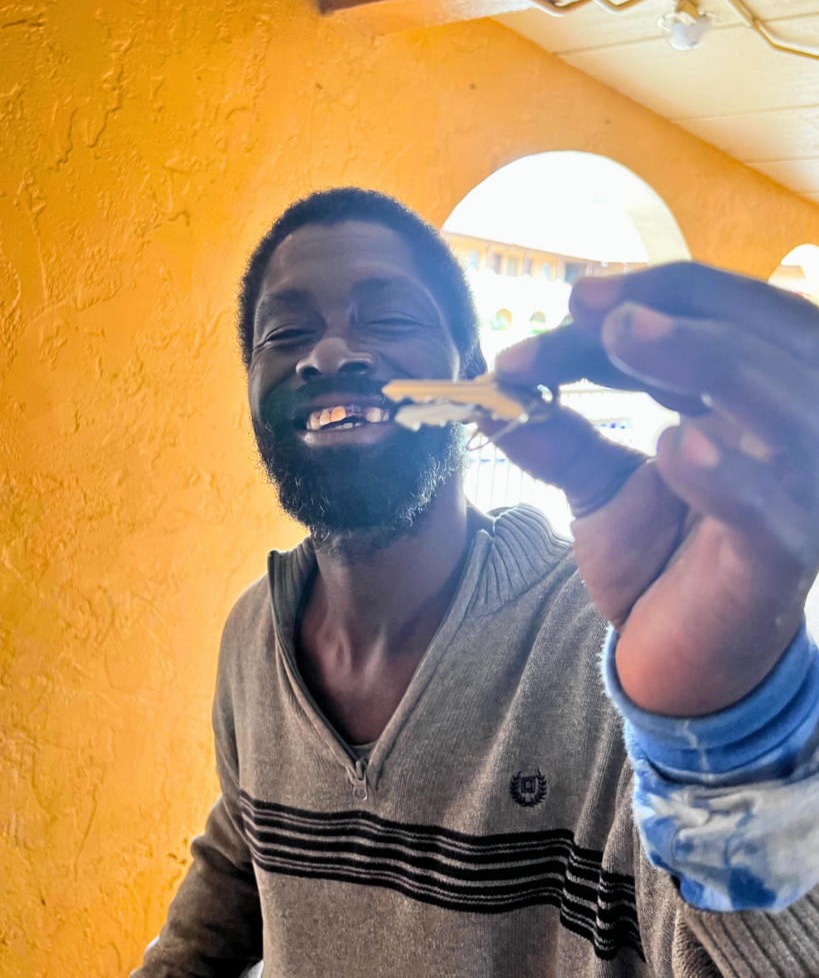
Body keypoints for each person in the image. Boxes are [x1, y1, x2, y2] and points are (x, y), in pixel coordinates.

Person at [134, 188, 819, 978]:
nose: (327, 354)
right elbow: (240, 852)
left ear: (465, 374)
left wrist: (728, 741)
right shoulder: (252, 635)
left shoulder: (602, 654)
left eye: (388, 319)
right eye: (286, 332)